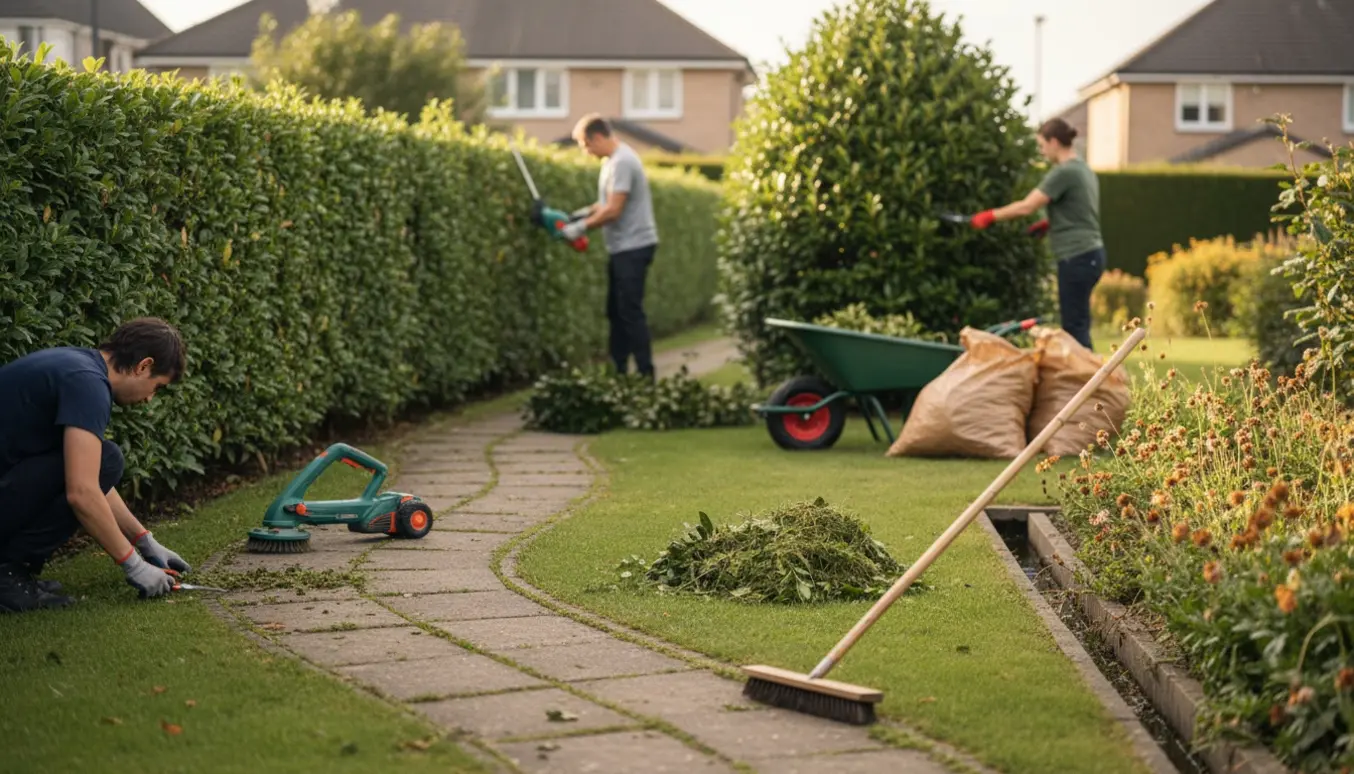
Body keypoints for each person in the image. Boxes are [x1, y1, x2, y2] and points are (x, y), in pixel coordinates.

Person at [0, 318, 192, 613]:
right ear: (144, 366)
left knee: (105, 459)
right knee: (109, 458)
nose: (149, 399)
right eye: (157, 387)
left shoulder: (78, 366)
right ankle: (8, 574)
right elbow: (83, 492)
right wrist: (134, 564)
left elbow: (86, 474)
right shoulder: (88, 385)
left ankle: (13, 572)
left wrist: (143, 540)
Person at [968, 117, 1106, 351]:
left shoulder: (1064, 172)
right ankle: (1090, 372)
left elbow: (1027, 206)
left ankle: (1090, 374)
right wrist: (1050, 223)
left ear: (1054, 142)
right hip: (1091, 254)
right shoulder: (1084, 169)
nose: (1041, 152)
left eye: (1042, 145)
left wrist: (990, 215)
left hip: (1076, 255)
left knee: (1074, 329)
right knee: (1078, 324)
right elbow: (1080, 211)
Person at [561, 114, 661, 380]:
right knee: (616, 312)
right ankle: (619, 373)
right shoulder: (611, 163)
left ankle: (646, 376)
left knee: (630, 313)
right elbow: (604, 204)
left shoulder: (623, 162)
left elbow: (614, 210)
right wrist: (578, 216)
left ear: (597, 137)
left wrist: (579, 229)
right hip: (621, 248)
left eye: (586, 145)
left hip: (634, 247)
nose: (586, 152)